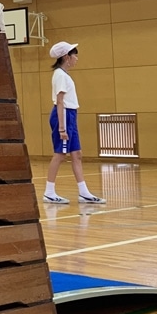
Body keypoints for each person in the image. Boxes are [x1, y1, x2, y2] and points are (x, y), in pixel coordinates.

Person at [43, 41, 106, 206]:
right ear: (66, 57)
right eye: (74, 55)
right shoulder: (60, 75)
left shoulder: (64, 75)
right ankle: (49, 192)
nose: (76, 58)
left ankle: (84, 193)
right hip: (63, 116)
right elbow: (60, 101)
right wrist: (62, 127)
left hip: (70, 115)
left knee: (77, 154)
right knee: (60, 154)